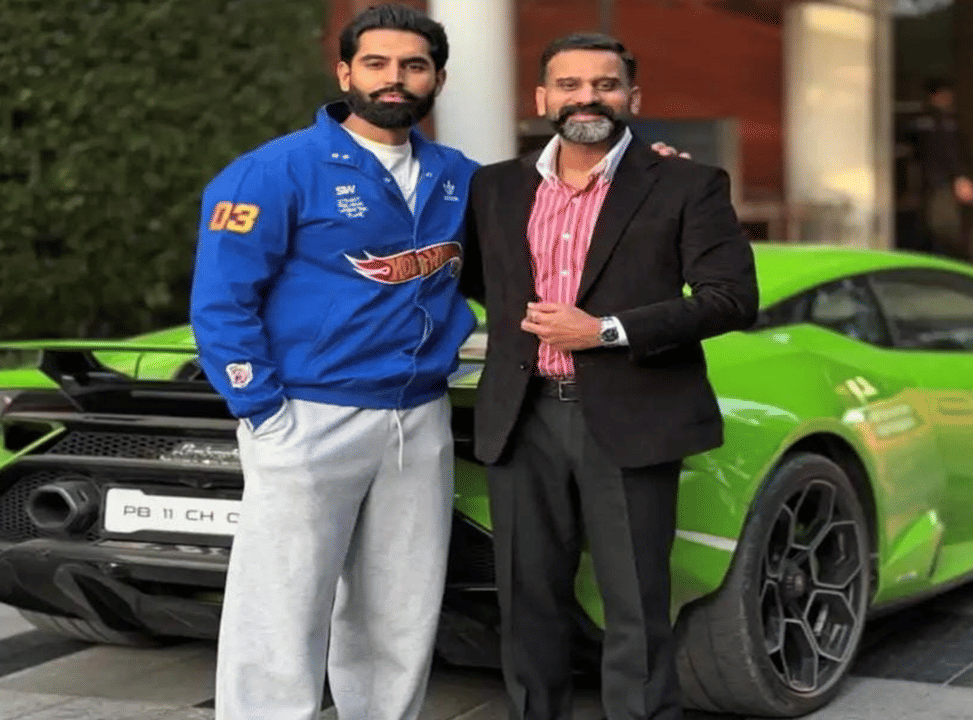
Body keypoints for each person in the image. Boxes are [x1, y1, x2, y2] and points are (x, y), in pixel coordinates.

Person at [460, 32, 760, 720]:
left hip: (632, 415)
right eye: (569, 85)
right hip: (522, 416)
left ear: (633, 97)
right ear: (543, 97)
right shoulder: (494, 186)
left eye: (605, 84)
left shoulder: (686, 183)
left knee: (635, 604)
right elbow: (482, 280)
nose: (587, 98)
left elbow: (731, 299)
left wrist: (604, 331)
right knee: (526, 602)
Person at [189, 5, 477, 719]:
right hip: (309, 414)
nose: (394, 78)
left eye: (413, 65)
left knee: (400, 610)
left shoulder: (460, 176)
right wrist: (263, 412)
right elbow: (222, 302)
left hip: (419, 416)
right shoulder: (274, 169)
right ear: (346, 72)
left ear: (437, 79)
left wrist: (647, 170)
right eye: (376, 63)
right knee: (281, 608)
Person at [898, 75, 973, 260]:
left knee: (944, 226)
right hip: (937, 183)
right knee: (943, 228)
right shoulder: (938, 123)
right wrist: (960, 177)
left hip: (935, 183)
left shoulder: (943, 121)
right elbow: (948, 154)